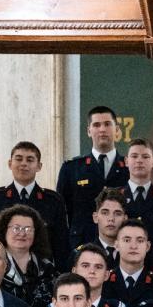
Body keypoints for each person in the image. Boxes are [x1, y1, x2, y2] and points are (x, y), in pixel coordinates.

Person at [0, 141, 69, 271]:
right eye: (19, 159)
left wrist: (61, 278)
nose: (24, 164)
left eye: (30, 160)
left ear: (39, 166)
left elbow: (61, 246)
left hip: (41, 273)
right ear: (10, 164)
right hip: (2, 273)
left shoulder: (53, 200)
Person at [56, 105, 128, 248]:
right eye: (96, 125)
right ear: (89, 131)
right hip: (82, 245)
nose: (102, 129)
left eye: (107, 124)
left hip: (120, 246)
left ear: (117, 130)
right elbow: (62, 213)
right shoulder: (71, 168)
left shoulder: (129, 167)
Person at [0, 204, 57, 307]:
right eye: (16, 228)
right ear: (4, 230)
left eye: (28, 229)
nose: (22, 233)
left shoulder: (47, 269)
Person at [103, 219, 153, 307]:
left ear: (147, 246)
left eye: (140, 241)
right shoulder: (104, 282)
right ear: (116, 245)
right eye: (127, 240)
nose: (133, 246)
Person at [91, 187, 127, 267]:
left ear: (125, 219)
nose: (111, 219)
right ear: (95, 217)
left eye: (117, 213)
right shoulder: (82, 256)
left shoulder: (135, 254)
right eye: (105, 213)